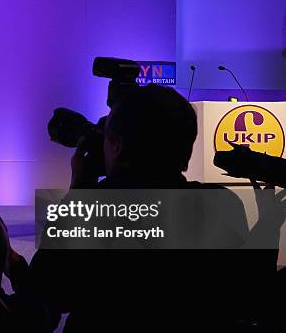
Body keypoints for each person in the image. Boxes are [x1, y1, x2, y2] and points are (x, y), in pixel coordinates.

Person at [30, 85, 284, 332]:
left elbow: (45, 292)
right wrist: (268, 225)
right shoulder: (218, 205)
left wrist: (79, 192)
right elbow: (249, 298)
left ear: (117, 145)